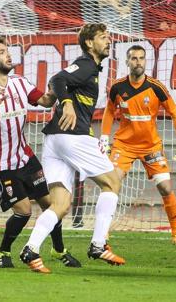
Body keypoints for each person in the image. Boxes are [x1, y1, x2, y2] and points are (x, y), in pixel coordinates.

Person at [0, 37, 80, 269]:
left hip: (25, 158)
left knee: (52, 205)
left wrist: (61, 86)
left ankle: (59, 250)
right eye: (1, 52)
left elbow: (46, 101)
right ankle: (2, 251)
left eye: (7, 51)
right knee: (24, 211)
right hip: (0, 165)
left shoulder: (20, 82)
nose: (8, 55)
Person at [21, 23, 125, 273]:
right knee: (112, 182)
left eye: (108, 36)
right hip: (73, 136)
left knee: (60, 204)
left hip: (55, 141)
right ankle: (99, 244)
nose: (108, 40)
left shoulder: (91, 68)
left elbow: (61, 82)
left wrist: (66, 101)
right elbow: (57, 79)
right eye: (103, 37)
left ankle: (31, 249)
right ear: (89, 43)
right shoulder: (86, 64)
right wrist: (66, 103)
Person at [100, 44, 176, 247]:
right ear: (127, 62)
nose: (138, 62)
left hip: (150, 146)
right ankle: (103, 232)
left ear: (146, 61)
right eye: (134, 58)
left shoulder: (156, 87)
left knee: (165, 187)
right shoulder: (118, 87)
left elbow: (174, 112)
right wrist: (104, 138)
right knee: (111, 183)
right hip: (123, 145)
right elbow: (109, 112)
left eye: (141, 58)